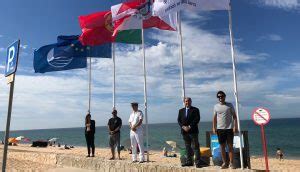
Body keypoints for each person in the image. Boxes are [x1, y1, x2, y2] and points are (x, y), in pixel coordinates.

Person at [212, 91, 238, 169]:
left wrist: (235, 126)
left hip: (229, 129)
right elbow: (214, 118)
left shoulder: (229, 105)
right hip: (220, 129)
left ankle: (231, 163)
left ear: (224, 96)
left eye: (222, 96)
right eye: (219, 97)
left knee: (230, 147)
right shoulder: (215, 106)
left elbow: (234, 117)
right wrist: (214, 127)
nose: (220, 98)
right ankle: (224, 163)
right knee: (222, 147)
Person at [177, 97, 202, 168]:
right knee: (187, 147)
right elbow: (179, 120)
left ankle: (197, 162)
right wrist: (183, 127)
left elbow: (197, 119)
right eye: (185, 101)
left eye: (188, 101)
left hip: (193, 131)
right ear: (184, 102)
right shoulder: (181, 110)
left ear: (191, 102)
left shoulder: (195, 110)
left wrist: (189, 126)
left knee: (195, 147)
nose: (187, 102)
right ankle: (189, 161)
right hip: (184, 131)